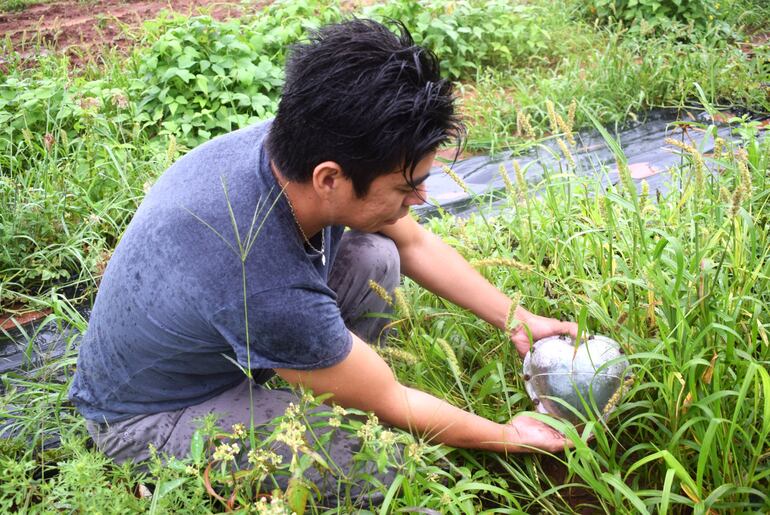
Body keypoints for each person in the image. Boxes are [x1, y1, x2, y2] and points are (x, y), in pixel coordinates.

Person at [69, 18, 578, 506]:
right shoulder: (261, 275)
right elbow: (393, 400)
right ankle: (329, 383)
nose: (420, 198)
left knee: (377, 254)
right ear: (329, 178)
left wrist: (520, 320)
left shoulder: (300, 143)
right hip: (149, 417)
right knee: (389, 465)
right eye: (406, 186)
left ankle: (325, 376)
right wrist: (506, 436)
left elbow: (415, 245)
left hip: (228, 331)